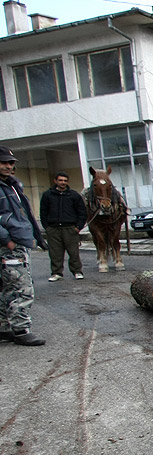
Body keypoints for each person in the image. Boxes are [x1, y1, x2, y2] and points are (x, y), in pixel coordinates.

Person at [0, 145, 47, 346]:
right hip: (10, 245)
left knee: (8, 287)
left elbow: (25, 214)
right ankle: (21, 329)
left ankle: (5, 328)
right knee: (21, 287)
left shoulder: (12, 186)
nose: (9, 166)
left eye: (11, 163)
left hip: (18, 242)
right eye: (4, 163)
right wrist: (7, 241)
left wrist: (37, 238)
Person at [39, 170, 87, 281]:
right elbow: (43, 212)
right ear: (55, 181)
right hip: (53, 229)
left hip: (70, 228)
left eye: (65, 181)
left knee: (74, 252)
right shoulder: (47, 195)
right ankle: (56, 273)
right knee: (55, 253)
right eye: (60, 180)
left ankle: (77, 271)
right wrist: (47, 227)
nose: (63, 182)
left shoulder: (74, 195)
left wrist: (78, 227)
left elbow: (82, 212)